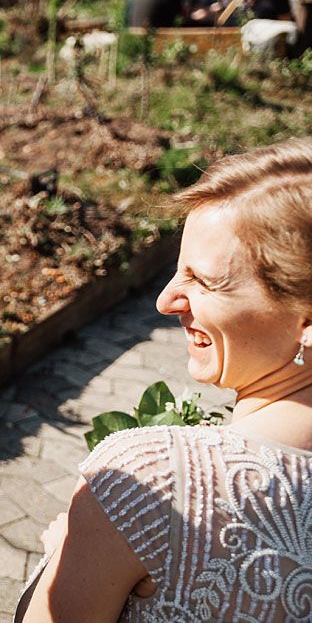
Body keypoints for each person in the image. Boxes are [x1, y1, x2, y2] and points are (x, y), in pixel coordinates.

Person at [17, 137, 312, 621]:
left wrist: (58, 556)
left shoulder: (149, 479)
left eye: (204, 280)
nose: (165, 301)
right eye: (179, 272)